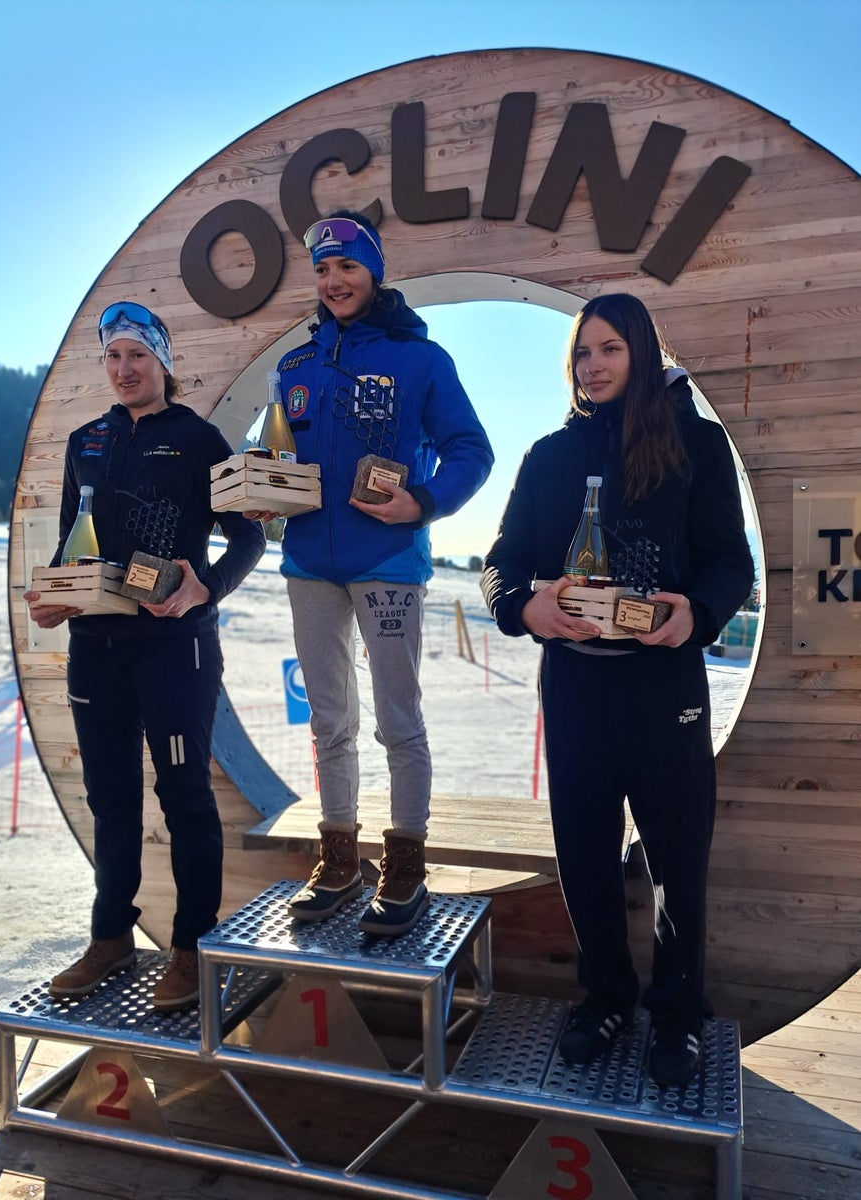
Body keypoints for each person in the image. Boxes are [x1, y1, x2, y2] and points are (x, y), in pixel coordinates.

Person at [481, 293, 754, 1088]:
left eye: (609, 349)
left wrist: (696, 613)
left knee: (677, 861)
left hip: (664, 686)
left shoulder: (695, 443)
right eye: (581, 353)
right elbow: (502, 560)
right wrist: (521, 606)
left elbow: (730, 561)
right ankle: (604, 997)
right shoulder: (548, 456)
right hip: (575, 687)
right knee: (585, 859)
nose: (592, 366)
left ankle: (677, 1012)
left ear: (641, 352)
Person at [249, 210, 493, 936]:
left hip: (387, 561)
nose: (334, 281)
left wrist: (424, 502)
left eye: (348, 266)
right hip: (307, 565)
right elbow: (275, 459)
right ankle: (338, 861)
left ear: (375, 272)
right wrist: (262, 490)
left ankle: (406, 865)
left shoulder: (422, 360)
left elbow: (471, 450)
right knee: (329, 720)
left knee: (398, 720)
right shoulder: (294, 367)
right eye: (322, 270)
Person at [24, 301, 266, 1011]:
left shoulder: (199, 440)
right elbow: (73, 541)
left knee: (184, 795)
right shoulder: (86, 441)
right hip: (96, 649)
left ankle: (192, 947)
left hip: (174, 648)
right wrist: (58, 595)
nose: (124, 369)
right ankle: (110, 937)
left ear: (163, 362)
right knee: (109, 797)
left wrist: (205, 586)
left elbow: (248, 537)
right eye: (113, 356)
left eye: (137, 355)